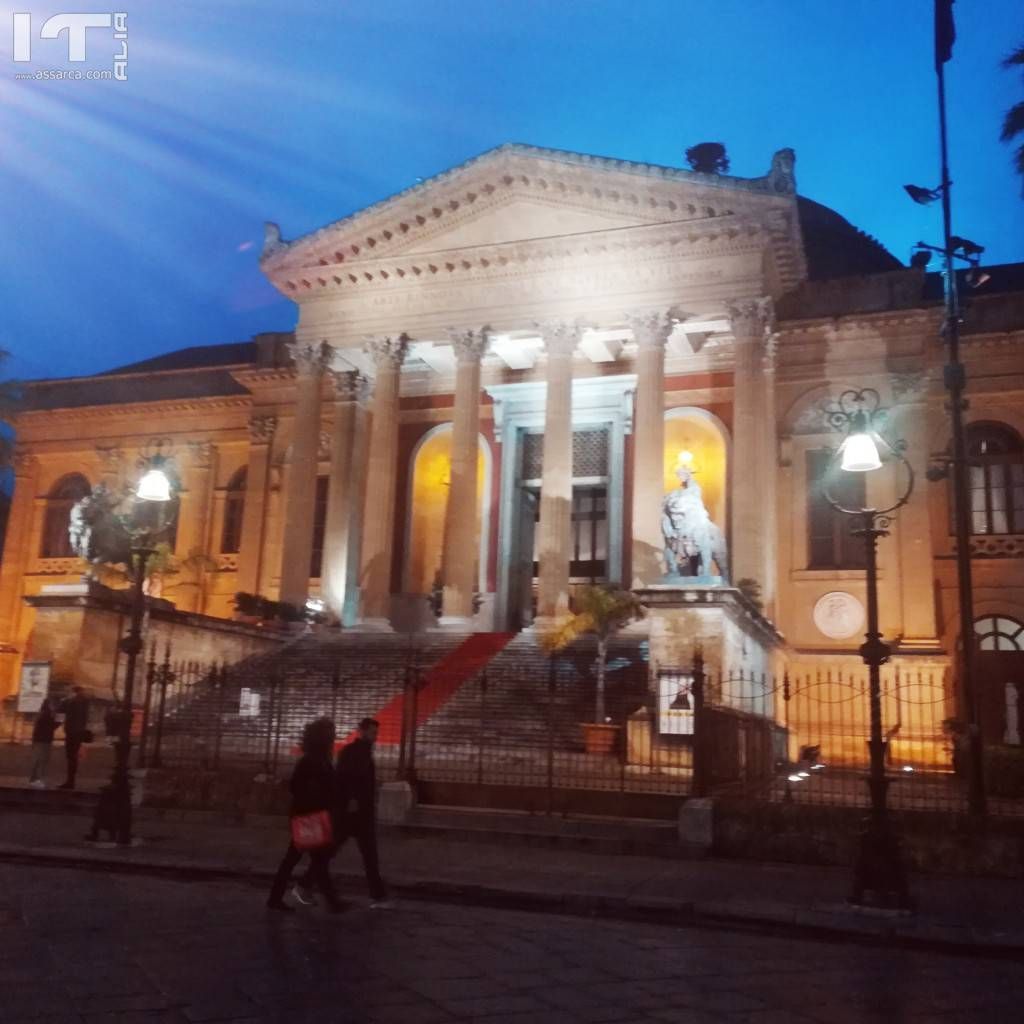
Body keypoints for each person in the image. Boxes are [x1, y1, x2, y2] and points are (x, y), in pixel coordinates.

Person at [297, 717, 390, 908]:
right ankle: (377, 897)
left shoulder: (358, 752)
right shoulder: (355, 752)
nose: (375, 736)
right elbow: (345, 780)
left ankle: (304, 886)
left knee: (360, 854)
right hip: (354, 814)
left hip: (357, 813)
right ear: (362, 731)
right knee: (358, 855)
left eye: (376, 733)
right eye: (372, 732)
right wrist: (352, 800)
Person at [267, 717, 344, 914]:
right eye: (331, 733)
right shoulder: (312, 761)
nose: (334, 737)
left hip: (310, 816)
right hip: (309, 818)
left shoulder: (317, 759)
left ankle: (276, 898)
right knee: (317, 861)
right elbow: (297, 787)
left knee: (302, 860)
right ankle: (333, 902)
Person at [58, 686, 90, 790]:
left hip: (72, 732)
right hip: (79, 731)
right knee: (73, 757)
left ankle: (70, 781)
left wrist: (64, 700)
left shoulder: (71, 701)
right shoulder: (85, 701)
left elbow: (60, 711)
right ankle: (71, 780)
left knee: (70, 756)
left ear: (73, 692)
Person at [28, 699, 58, 788]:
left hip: (40, 740)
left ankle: (34, 779)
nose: (53, 707)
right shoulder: (47, 715)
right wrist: (58, 722)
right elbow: (50, 727)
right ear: (48, 705)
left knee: (39, 760)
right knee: (41, 760)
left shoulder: (42, 714)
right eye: (52, 705)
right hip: (43, 740)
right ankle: (36, 779)